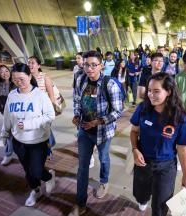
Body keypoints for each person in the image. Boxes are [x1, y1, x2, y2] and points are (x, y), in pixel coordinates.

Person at [130, 73, 186, 215]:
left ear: (169, 92)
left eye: (156, 91)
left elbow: (183, 150)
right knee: (140, 195)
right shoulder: (143, 109)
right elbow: (134, 131)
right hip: (142, 163)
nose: (151, 95)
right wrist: (135, 149)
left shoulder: (180, 118)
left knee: (160, 207)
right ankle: (143, 199)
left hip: (166, 166)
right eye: (149, 90)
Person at [70, 50, 123, 216]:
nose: (90, 68)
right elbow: (77, 100)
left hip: (102, 131)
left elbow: (117, 111)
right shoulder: (80, 79)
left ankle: (104, 181)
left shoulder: (110, 84)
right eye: (86, 64)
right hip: (84, 130)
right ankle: (81, 203)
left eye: (94, 65)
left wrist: (99, 121)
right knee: (82, 167)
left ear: (101, 66)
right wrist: (77, 115)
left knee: (103, 158)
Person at [0, 63, 56, 207]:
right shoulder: (12, 95)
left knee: (36, 171)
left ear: (30, 76)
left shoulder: (40, 95)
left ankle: (49, 176)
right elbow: (7, 117)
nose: (18, 83)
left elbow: (50, 115)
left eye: (22, 79)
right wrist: (4, 135)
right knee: (28, 172)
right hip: (19, 141)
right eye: (15, 79)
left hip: (38, 141)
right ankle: (36, 190)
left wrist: (30, 124)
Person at [28, 56, 56, 156]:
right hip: (32, 110)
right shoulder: (27, 77)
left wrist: (52, 110)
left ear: (38, 65)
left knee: (45, 131)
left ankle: (48, 150)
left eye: (32, 63)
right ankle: (41, 150)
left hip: (44, 110)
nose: (30, 65)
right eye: (29, 62)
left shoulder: (44, 77)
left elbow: (51, 95)